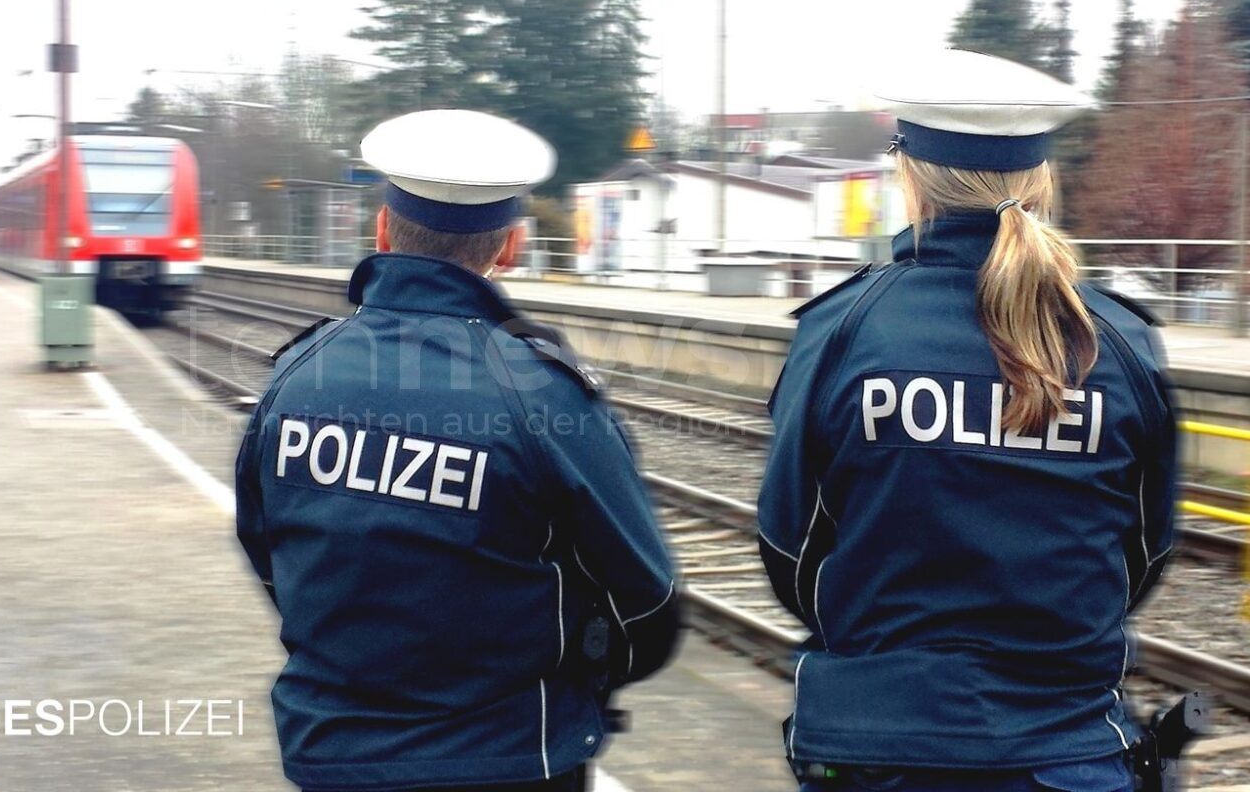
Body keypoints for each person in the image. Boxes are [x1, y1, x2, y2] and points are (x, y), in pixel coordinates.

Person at [757, 49, 1177, 792]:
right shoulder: (1119, 343)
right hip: (1065, 749)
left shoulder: (842, 334)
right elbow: (1143, 550)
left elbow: (792, 548)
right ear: (1042, 178)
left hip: (875, 750)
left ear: (911, 177)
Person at [235, 109, 680, 792]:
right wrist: (579, 671)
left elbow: (269, 552)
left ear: (382, 230)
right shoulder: (540, 393)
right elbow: (648, 601)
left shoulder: (296, 376)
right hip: (511, 757)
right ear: (510, 246)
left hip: (333, 755)